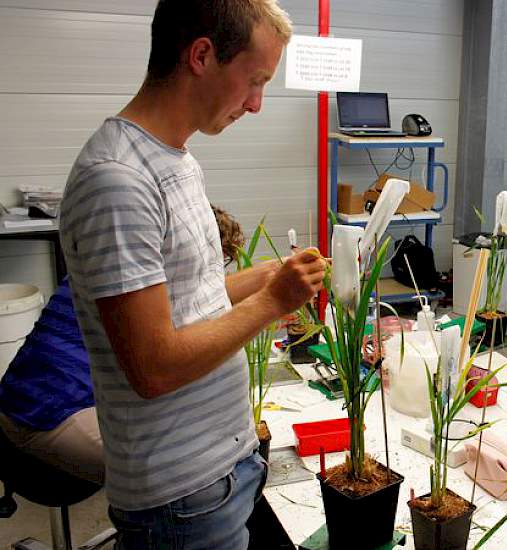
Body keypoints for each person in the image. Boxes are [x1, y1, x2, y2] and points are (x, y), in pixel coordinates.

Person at [57, 1, 326, 548]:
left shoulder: (175, 159)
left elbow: (189, 304)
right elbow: (152, 365)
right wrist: (274, 300)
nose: (256, 105)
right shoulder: (118, 180)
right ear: (201, 55)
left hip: (222, 468)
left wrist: (272, 275)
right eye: (254, 81)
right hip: (181, 495)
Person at [0, 205, 252, 486]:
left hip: (46, 398)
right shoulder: (140, 288)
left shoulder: (122, 266)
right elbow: (174, 360)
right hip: (45, 413)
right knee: (186, 478)